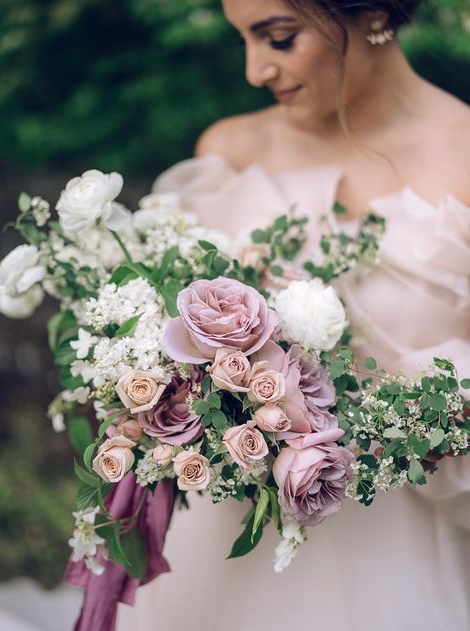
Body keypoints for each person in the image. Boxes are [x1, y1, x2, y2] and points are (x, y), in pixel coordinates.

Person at [117, 1, 470, 629]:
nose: (256, 69)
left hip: (392, 568)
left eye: (279, 37)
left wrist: (427, 412)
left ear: (372, 13)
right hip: (221, 562)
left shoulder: (462, 153)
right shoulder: (228, 150)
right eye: (244, 39)